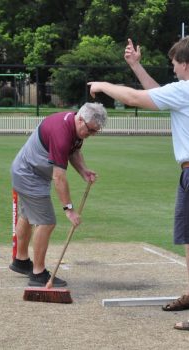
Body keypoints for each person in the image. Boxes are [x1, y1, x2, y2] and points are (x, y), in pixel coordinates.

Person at [88, 37, 189, 331]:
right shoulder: (182, 92)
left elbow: (134, 99)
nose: (173, 69)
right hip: (186, 172)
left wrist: (103, 86)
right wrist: (136, 65)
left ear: (185, 64)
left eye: (174, 65)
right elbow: (159, 94)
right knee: (186, 238)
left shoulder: (185, 90)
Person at [9, 103, 107, 287]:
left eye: (96, 131)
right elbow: (59, 177)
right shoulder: (61, 133)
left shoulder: (75, 127)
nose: (92, 135)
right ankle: (38, 273)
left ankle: (21, 261)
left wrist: (83, 170)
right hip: (29, 175)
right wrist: (69, 209)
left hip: (27, 171)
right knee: (47, 222)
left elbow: (74, 150)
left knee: (27, 215)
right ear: (80, 119)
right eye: (91, 130)